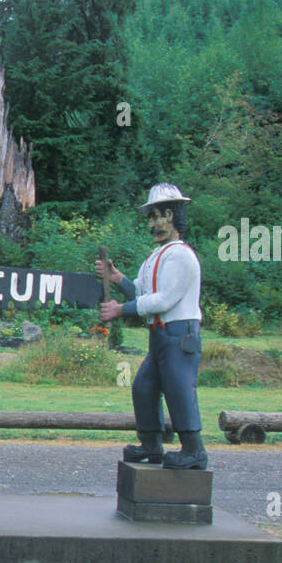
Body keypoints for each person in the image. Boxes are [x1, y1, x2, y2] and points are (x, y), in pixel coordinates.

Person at [96, 183, 207, 470]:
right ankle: (151, 443)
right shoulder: (155, 257)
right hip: (159, 336)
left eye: (157, 216)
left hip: (180, 334)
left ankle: (194, 450)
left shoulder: (181, 255)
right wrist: (119, 279)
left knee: (179, 388)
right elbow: (142, 295)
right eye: (150, 218)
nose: (153, 223)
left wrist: (120, 310)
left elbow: (163, 301)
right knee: (144, 387)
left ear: (171, 215)